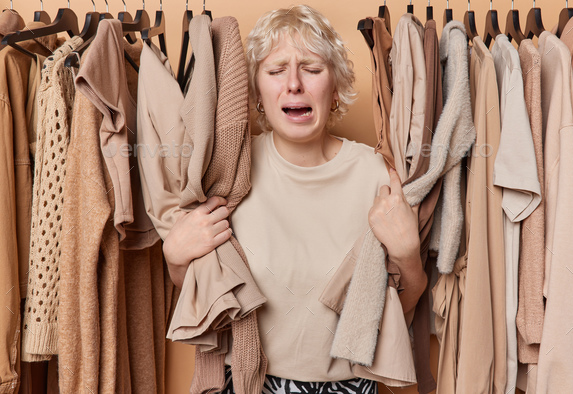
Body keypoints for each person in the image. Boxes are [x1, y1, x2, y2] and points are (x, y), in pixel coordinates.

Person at [163, 5, 427, 393]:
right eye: (275, 70)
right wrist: (175, 257)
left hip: (347, 387)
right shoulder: (229, 171)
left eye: (312, 69)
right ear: (256, 91)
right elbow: (205, 297)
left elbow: (399, 312)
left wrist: (408, 255)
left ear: (334, 87)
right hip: (247, 383)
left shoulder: (377, 174)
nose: (294, 84)